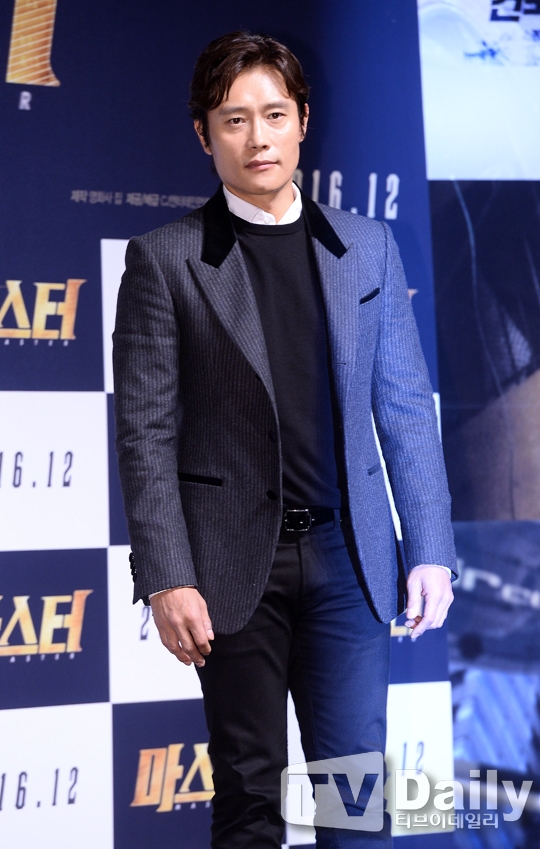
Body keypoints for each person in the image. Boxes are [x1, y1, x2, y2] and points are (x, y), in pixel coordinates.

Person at [113, 30, 456, 849]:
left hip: (348, 560)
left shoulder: (366, 245)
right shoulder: (165, 260)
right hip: (233, 566)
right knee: (249, 803)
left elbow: (405, 406)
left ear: (303, 121)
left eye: (273, 114)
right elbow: (145, 431)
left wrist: (431, 545)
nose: (257, 137)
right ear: (204, 135)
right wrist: (167, 575)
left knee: (354, 800)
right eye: (233, 119)